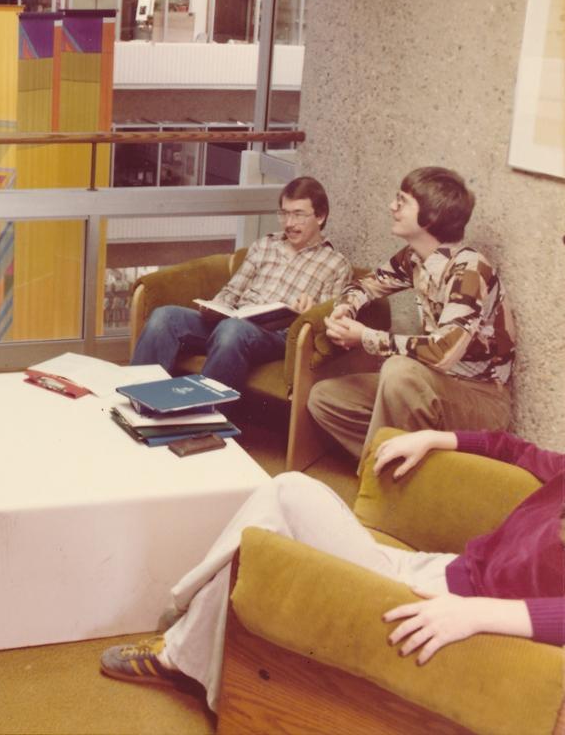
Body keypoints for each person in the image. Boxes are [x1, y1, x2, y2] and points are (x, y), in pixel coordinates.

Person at [99, 427, 564, 711]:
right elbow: (514, 449)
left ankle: (178, 630)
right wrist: (437, 438)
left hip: (443, 605)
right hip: (435, 568)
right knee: (279, 513)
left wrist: (477, 614)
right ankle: (186, 631)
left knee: (285, 496)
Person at [308, 167, 515, 462]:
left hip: (482, 398)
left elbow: (443, 352)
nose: (392, 207)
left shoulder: (469, 269)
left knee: (398, 371)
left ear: (430, 216)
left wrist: (365, 337)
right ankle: (412, 467)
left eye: (401, 201)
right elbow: (366, 284)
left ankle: (378, 479)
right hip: (435, 383)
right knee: (324, 398)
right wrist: (346, 307)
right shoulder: (414, 258)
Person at [130, 177, 351, 393]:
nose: (289, 223)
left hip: (276, 337)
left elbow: (330, 323)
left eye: (298, 215)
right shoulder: (265, 245)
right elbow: (233, 291)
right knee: (165, 317)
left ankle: (204, 422)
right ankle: (136, 401)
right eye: (284, 214)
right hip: (234, 320)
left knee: (232, 330)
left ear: (320, 216)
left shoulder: (335, 264)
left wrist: (311, 312)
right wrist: (215, 307)